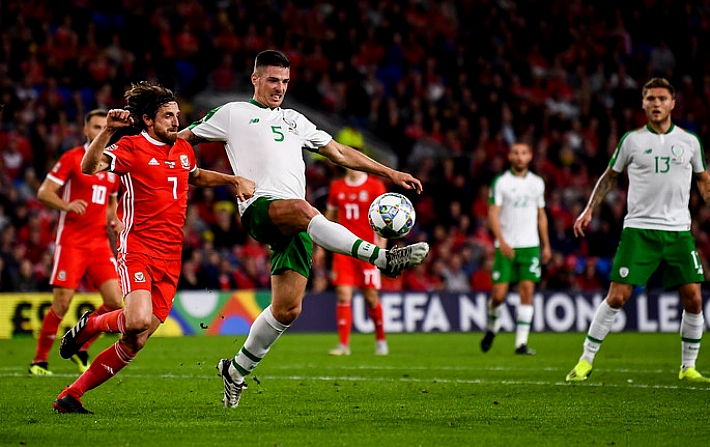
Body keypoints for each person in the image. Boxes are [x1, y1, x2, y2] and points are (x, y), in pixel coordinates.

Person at [178, 50, 429, 408]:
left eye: (284, 81)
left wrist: (389, 173)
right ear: (255, 79)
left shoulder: (296, 120)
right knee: (301, 208)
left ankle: (235, 371)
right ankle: (383, 259)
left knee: (287, 310)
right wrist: (190, 175)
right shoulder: (233, 113)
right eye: (272, 80)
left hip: (297, 221)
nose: (279, 88)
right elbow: (181, 140)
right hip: (260, 209)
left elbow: (339, 153)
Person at [53, 81, 255, 413]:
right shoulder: (131, 147)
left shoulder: (183, 150)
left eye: (177, 115)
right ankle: (90, 325)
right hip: (137, 249)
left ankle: (70, 395)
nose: (176, 122)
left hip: (171, 257)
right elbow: (90, 167)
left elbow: (195, 175)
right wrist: (106, 132)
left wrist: (231, 180)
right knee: (136, 321)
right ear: (148, 120)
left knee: (137, 339)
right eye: (167, 116)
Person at [565, 78, 710, 383]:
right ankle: (585, 360)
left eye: (662, 98)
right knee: (617, 297)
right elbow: (609, 177)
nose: (656, 103)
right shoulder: (632, 141)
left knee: (693, 298)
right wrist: (589, 208)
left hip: (679, 232)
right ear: (643, 104)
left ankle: (688, 367)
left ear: (673, 103)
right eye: (650, 98)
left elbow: (705, 182)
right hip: (639, 230)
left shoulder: (689, 142)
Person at [28, 109, 124, 376]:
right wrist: (67, 205)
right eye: (95, 127)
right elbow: (44, 192)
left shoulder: (111, 164)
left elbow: (110, 204)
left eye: (104, 127)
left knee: (116, 303)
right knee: (62, 302)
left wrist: (115, 220)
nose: (99, 131)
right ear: (86, 130)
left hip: (99, 243)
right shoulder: (72, 158)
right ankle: (39, 361)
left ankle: (81, 344)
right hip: (71, 241)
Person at [479, 142, 551, 355]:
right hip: (506, 246)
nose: (520, 157)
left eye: (524, 153)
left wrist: (546, 245)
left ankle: (521, 343)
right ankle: (493, 327)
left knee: (527, 290)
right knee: (498, 296)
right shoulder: (501, 182)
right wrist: (502, 240)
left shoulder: (537, 183)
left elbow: (542, 215)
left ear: (530, 157)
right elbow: (492, 214)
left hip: (530, 246)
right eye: (516, 153)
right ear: (510, 156)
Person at [326, 167, 388, 356]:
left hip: (368, 250)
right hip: (343, 250)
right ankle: (343, 345)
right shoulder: (336, 187)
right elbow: (331, 217)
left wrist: (382, 247)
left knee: (371, 297)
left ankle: (380, 339)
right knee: (343, 295)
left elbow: (384, 218)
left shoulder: (375, 186)